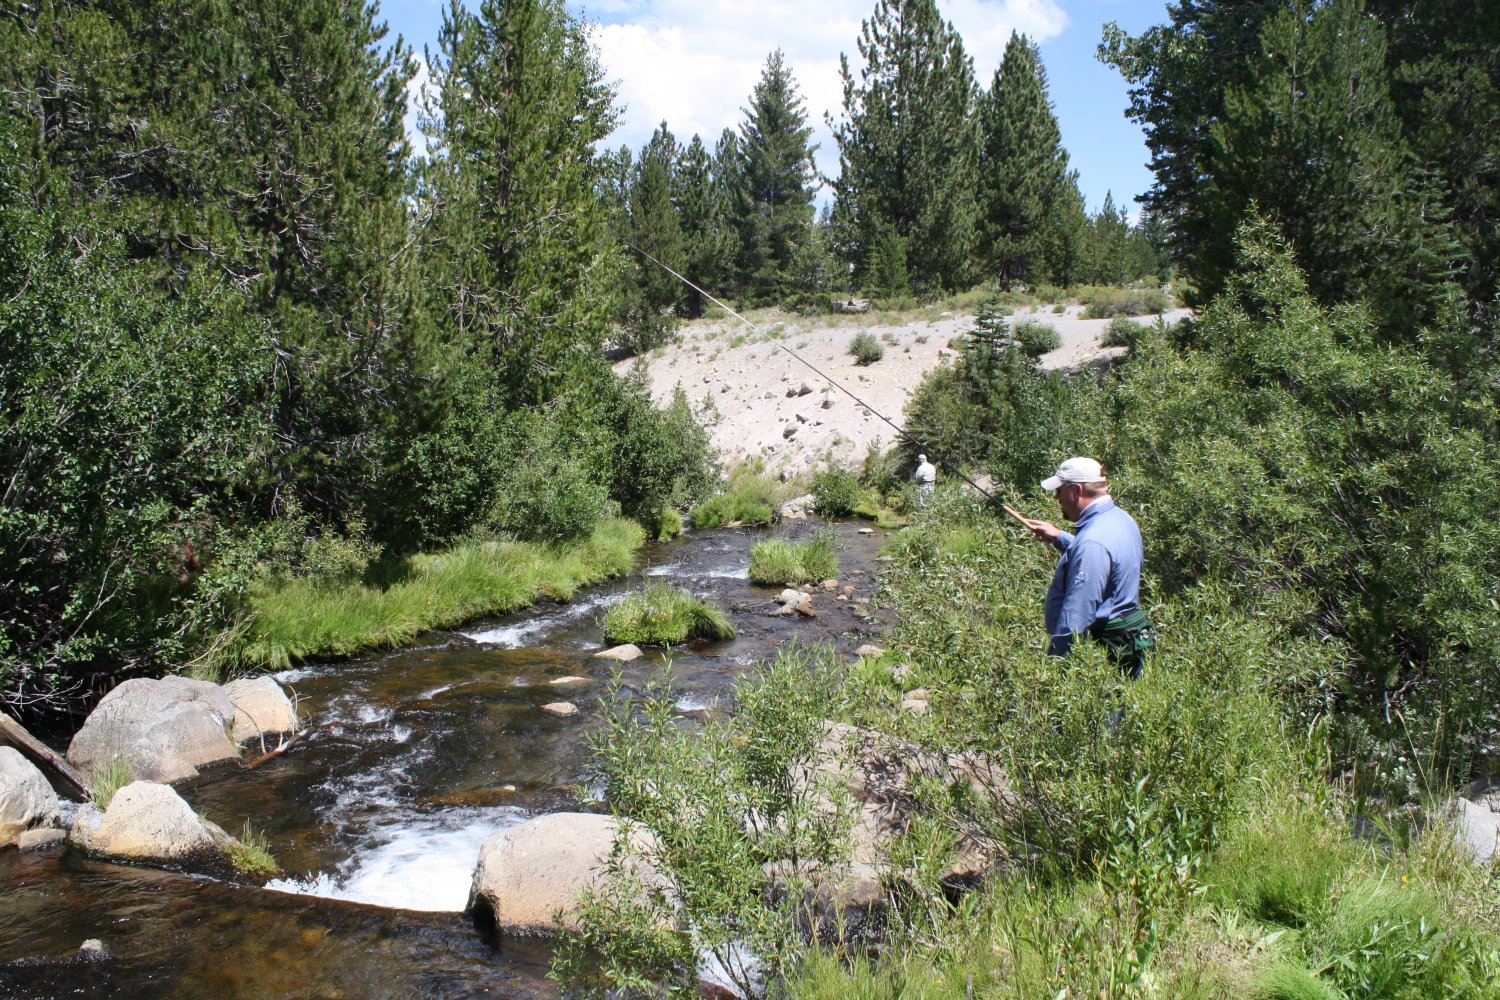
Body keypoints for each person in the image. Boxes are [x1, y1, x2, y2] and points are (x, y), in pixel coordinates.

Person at [1018, 457, 1155, 678]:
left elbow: (1076, 614)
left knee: (1107, 711)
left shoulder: (1093, 541)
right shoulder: (1121, 520)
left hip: (1106, 652)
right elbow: (1107, 560)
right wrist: (1060, 538)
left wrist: (1053, 668)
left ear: (1076, 491)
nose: (1057, 498)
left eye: (1059, 490)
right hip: (1126, 639)